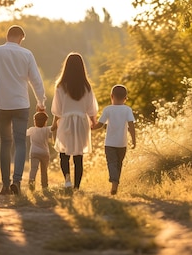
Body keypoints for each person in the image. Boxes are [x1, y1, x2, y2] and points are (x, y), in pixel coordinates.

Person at [0, 25, 46, 195]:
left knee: (6, 143)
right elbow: (36, 80)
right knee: (20, 143)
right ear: (21, 37)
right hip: (21, 105)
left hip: (2, 105)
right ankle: (17, 181)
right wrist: (41, 102)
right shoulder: (27, 54)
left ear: (7, 36)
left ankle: (5, 185)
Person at [51, 52, 98, 190]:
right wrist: (93, 122)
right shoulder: (87, 87)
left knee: (63, 154)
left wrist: (55, 124)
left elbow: (57, 110)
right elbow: (91, 108)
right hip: (82, 122)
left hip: (66, 121)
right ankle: (77, 187)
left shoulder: (60, 86)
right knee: (79, 157)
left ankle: (67, 181)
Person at [91, 84, 136, 195]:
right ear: (126, 98)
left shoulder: (108, 110)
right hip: (122, 143)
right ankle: (115, 185)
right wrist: (134, 140)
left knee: (111, 162)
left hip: (110, 143)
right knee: (119, 164)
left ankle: (114, 181)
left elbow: (100, 125)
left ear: (111, 96)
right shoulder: (127, 110)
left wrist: (90, 127)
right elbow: (131, 126)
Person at [26, 111, 54, 190]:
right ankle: (45, 187)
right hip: (44, 153)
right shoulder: (47, 129)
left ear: (34, 121)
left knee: (33, 169)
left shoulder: (32, 129)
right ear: (45, 121)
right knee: (44, 171)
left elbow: (24, 133)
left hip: (34, 152)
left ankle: (31, 186)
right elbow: (54, 127)